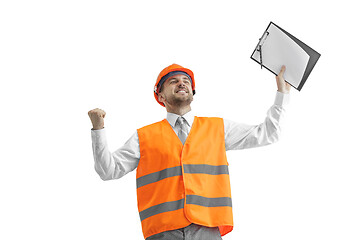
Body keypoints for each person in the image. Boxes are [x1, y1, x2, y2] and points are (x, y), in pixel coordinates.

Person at [88, 63, 290, 240]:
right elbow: (108, 171)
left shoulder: (218, 128)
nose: (181, 83)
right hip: (163, 233)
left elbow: (268, 133)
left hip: (208, 230)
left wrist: (282, 93)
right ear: (160, 95)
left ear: (193, 92)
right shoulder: (144, 136)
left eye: (186, 81)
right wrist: (98, 129)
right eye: (173, 81)